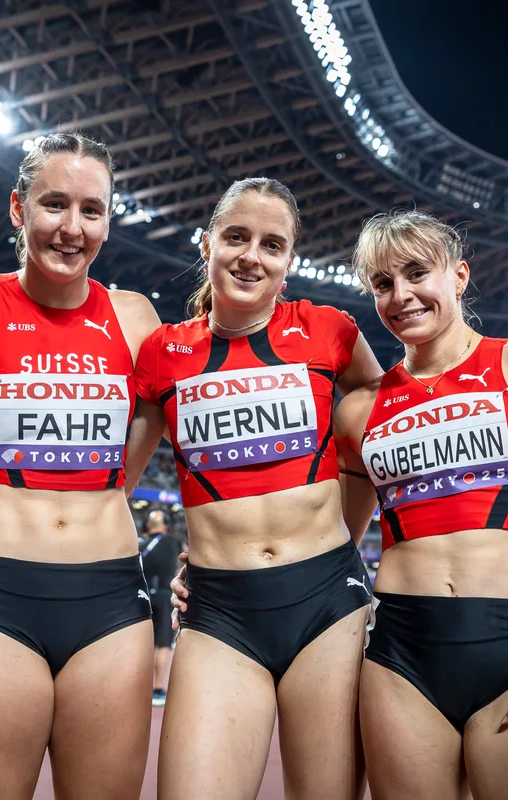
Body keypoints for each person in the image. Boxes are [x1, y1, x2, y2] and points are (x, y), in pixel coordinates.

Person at [0, 132, 163, 800]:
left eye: (91, 210)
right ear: (19, 208)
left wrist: (119, 487)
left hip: (111, 598)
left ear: (108, 221)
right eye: (55, 204)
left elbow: (157, 413)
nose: (72, 227)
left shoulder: (134, 317)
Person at [336, 209, 508, 799]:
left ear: (457, 276)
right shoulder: (358, 410)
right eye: (382, 284)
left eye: (415, 273)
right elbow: (333, 542)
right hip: (399, 655)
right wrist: (211, 570)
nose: (401, 295)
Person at [138, 177, 384, 800]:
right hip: (219, 611)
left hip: (328, 606)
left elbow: (377, 434)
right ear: (207, 244)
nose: (252, 255)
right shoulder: (164, 353)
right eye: (236, 237)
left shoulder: (331, 331)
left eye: (271, 244)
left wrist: (348, 545)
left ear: (289, 260)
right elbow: (110, 481)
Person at [138, 509, 183, 707]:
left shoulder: (141, 545)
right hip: (165, 596)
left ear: (148, 526)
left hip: (144, 595)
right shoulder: (173, 543)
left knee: (143, 645)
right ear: (164, 526)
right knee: (163, 645)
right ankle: (158, 690)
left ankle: (138, 687)